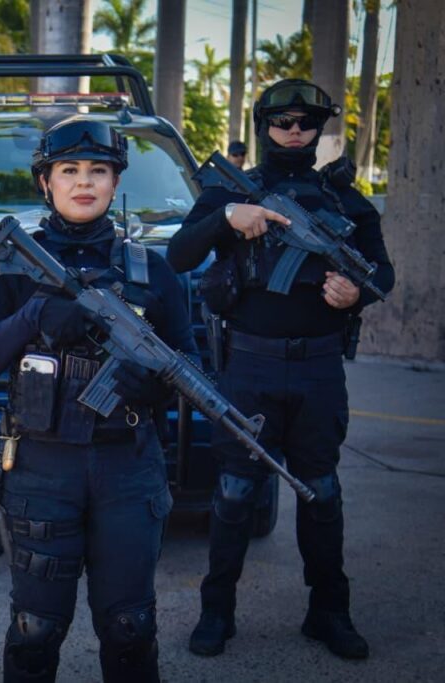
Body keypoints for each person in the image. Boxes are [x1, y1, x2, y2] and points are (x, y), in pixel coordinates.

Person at [0, 115, 198, 683]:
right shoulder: (14, 264)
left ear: (116, 182)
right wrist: (35, 314)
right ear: (46, 182)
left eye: (98, 170)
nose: (84, 181)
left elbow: (190, 363)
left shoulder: (152, 270)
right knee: (35, 632)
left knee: (130, 628)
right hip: (42, 468)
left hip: (128, 467)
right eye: (68, 170)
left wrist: (155, 383)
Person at [167, 79, 394, 660]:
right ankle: (217, 611)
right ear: (263, 125)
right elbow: (180, 254)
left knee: (322, 492)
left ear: (319, 130)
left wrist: (356, 295)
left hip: (318, 370)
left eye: (306, 123)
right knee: (235, 492)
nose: (294, 132)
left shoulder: (345, 202)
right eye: (282, 122)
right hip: (250, 367)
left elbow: (382, 275)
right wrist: (228, 216)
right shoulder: (231, 189)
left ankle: (329, 612)